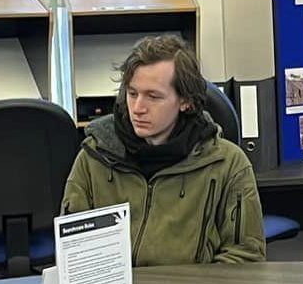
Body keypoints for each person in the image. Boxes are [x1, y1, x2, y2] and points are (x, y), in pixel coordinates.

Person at [62, 35, 263, 265]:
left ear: (186, 101)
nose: (138, 108)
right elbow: (74, 255)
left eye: (153, 97)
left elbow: (244, 259)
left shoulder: (228, 164)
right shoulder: (94, 157)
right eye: (132, 93)